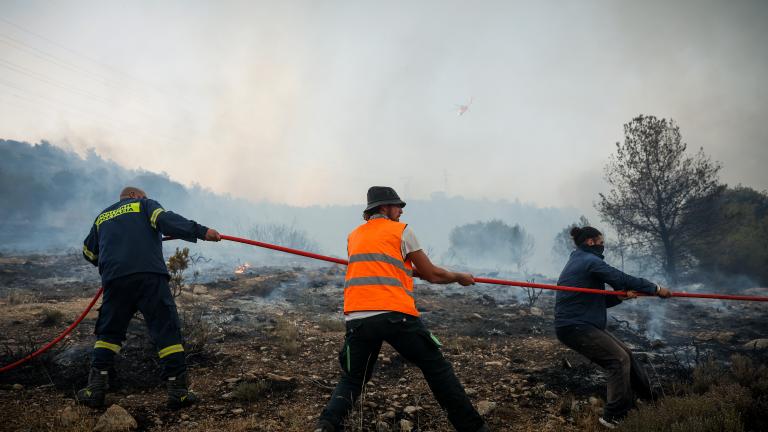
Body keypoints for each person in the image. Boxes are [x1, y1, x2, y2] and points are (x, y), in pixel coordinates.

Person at [315, 186, 489, 432]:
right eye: (398, 206)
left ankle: (326, 426)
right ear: (384, 208)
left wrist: (408, 269)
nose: (401, 211)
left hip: (357, 318)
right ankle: (473, 428)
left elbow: (382, 266)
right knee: (436, 368)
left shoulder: (354, 236)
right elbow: (432, 274)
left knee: (353, 378)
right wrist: (459, 277)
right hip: (395, 315)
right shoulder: (402, 231)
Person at [77, 186, 221, 409]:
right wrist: (203, 232)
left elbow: (89, 252)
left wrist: (113, 255)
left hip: (115, 280)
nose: (146, 198)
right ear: (134, 196)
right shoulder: (144, 205)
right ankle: (178, 392)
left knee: (109, 333)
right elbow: (166, 221)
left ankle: (95, 389)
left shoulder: (102, 217)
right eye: (144, 196)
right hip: (149, 277)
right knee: (166, 329)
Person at [554, 226, 672, 429]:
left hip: (582, 322)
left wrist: (619, 297)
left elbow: (594, 301)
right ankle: (614, 416)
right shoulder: (589, 261)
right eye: (601, 242)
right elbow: (621, 278)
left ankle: (652, 400)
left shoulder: (579, 260)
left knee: (627, 354)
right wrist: (656, 288)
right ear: (590, 242)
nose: (603, 246)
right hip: (575, 326)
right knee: (618, 360)